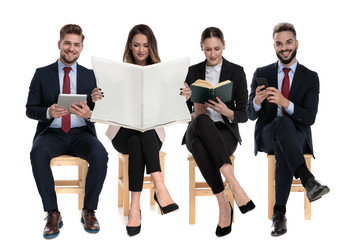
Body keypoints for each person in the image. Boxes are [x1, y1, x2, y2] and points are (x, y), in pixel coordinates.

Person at [92, 24, 178, 237]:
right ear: (130, 46)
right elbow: (106, 106)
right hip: (121, 131)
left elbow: (170, 106)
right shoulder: (119, 73)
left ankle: (134, 208)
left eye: (146, 46)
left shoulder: (160, 73)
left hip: (150, 134)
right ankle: (160, 187)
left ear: (152, 48)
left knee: (141, 135)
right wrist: (97, 97)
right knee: (136, 134)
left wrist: (183, 94)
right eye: (137, 45)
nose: (141, 50)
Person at [246, 22, 330, 237]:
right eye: (279, 44)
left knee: (285, 141)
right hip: (267, 135)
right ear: (274, 46)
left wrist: (285, 103)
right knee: (280, 126)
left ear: (296, 43)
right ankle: (307, 179)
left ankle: (279, 214)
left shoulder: (310, 77)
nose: (284, 47)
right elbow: (250, 114)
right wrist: (256, 100)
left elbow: (309, 118)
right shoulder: (261, 72)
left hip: (297, 136)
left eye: (288, 42)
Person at [26, 24, 108, 239]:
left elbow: (101, 110)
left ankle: (89, 210)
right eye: (67, 43)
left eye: (76, 44)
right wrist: (48, 112)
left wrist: (89, 113)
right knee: (37, 154)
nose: (71, 48)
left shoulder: (91, 76)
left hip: (81, 133)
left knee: (101, 155)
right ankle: (52, 213)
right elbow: (30, 109)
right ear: (59, 44)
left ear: (81, 48)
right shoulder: (42, 74)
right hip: (51, 134)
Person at [180, 26, 255, 237]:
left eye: (217, 49)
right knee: (202, 119)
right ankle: (234, 185)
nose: (213, 54)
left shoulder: (237, 71)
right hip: (197, 126)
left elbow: (244, 114)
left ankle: (223, 206)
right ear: (201, 47)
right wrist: (190, 103)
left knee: (198, 147)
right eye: (208, 49)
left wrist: (227, 111)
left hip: (224, 132)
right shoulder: (192, 71)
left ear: (224, 46)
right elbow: (183, 113)